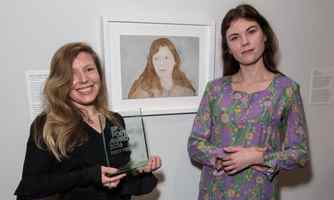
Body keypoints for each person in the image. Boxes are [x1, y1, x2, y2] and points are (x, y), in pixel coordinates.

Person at [188, 4, 309, 200]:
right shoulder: (215, 89)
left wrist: (257, 157)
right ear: (228, 48)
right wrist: (226, 158)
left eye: (251, 32)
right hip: (214, 192)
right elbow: (195, 144)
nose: (245, 42)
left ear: (265, 35)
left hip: (259, 192)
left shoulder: (286, 89)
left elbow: (299, 153)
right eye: (235, 37)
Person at [15, 42, 161, 200]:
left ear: (99, 74)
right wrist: (88, 175)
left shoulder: (115, 120)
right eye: (72, 74)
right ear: (60, 81)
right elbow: (31, 186)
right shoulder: (47, 125)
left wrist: (140, 169)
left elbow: (123, 179)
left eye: (89, 69)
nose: (84, 79)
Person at [128, 37, 196, 98]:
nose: (161, 63)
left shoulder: (186, 92)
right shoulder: (143, 92)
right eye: (156, 59)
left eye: (166, 58)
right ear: (152, 63)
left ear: (175, 61)